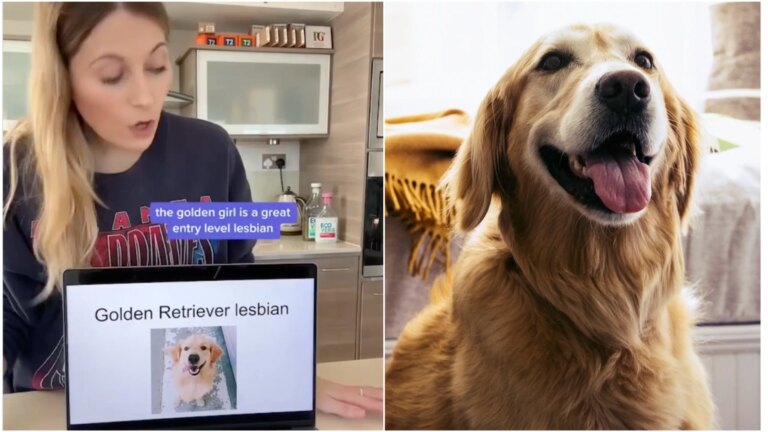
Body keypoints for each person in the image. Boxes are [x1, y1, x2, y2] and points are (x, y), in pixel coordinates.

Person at [3, 2, 382, 418]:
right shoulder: (17, 170)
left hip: (193, 402)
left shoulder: (209, 153)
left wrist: (288, 378)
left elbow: (240, 287)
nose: (146, 97)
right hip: (55, 407)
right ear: (63, 78)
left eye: (157, 65)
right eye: (112, 76)